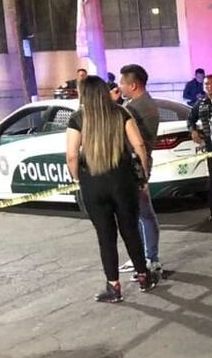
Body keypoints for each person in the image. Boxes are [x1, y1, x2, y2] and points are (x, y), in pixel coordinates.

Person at [65, 76, 160, 302]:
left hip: (93, 182)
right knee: (130, 230)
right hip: (122, 179)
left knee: (105, 236)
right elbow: (138, 145)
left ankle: (113, 286)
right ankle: (144, 276)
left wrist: (79, 178)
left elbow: (71, 156)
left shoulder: (77, 119)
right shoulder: (121, 113)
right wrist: (144, 173)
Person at [118, 64, 163, 274]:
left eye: (122, 83)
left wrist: (143, 173)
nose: (119, 87)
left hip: (135, 166)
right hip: (135, 165)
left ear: (133, 84)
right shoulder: (137, 103)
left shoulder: (137, 108)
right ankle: (140, 256)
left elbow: (137, 143)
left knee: (144, 213)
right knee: (135, 214)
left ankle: (149, 258)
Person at [188, 74, 212, 221]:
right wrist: (193, 130)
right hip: (211, 147)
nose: (209, 86)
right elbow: (190, 118)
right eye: (206, 84)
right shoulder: (201, 102)